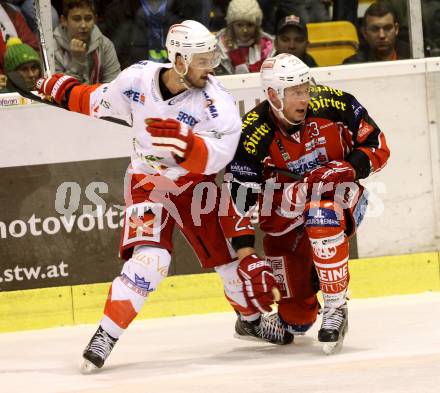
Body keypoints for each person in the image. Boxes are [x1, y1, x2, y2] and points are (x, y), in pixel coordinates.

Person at [36, 20, 285, 373]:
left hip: (195, 186)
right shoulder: (137, 79)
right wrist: (61, 88)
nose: (210, 67)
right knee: (150, 262)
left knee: (230, 259)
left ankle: (250, 320)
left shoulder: (217, 102)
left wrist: (189, 148)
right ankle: (106, 334)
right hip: (148, 183)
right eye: (202, 59)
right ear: (179, 59)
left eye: (211, 57)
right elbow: (96, 100)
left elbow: (220, 154)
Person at [221, 53, 390, 353]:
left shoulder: (336, 104)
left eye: (305, 89)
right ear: (273, 95)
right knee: (296, 320)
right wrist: (247, 256)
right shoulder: (251, 134)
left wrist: (348, 167)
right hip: (285, 220)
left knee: (321, 215)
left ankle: (336, 307)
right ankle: (258, 317)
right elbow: (237, 203)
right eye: (294, 92)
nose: (304, 98)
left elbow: (377, 145)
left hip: (339, 198)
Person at [53, 0, 120, 83]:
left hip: (98, 95)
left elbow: (114, 84)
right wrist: (77, 62)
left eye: (88, 19)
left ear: (95, 19)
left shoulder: (105, 45)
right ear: (63, 21)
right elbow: (58, 91)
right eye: (77, 19)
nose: (83, 25)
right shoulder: (52, 48)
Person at [215, 0, 274, 75]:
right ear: (231, 26)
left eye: (249, 25)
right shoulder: (221, 47)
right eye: (239, 25)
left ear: (257, 26)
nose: (245, 30)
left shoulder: (267, 46)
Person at [343, 2, 409, 64]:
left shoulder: (413, 57)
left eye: (387, 28)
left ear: (396, 29)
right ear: (364, 33)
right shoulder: (352, 66)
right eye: (374, 29)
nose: (381, 35)